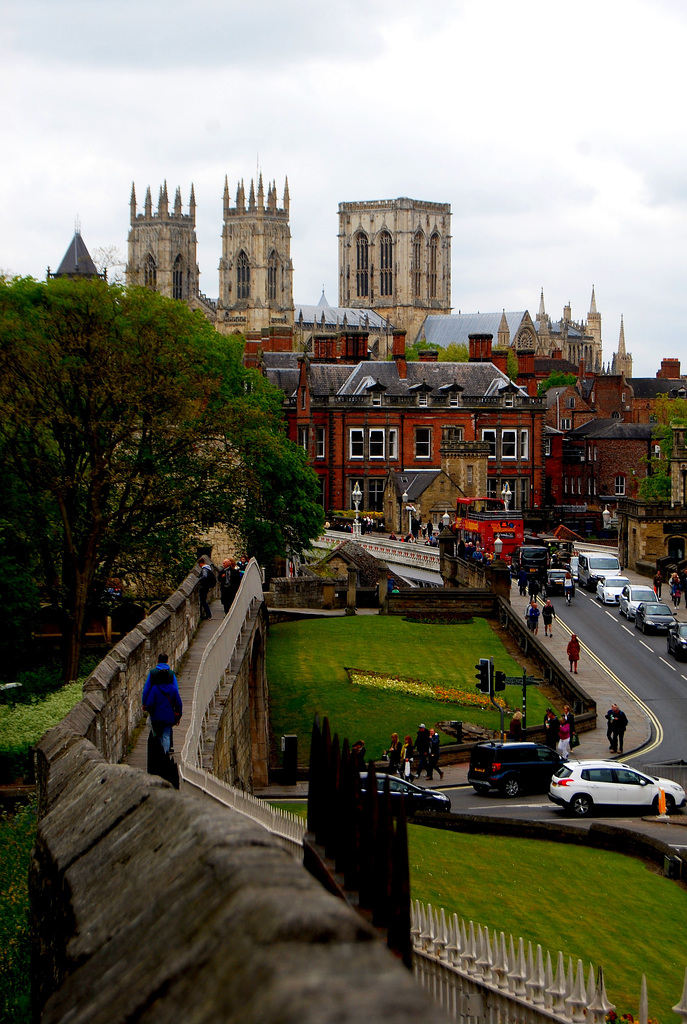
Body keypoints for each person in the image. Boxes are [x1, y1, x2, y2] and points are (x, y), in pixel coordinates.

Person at [142, 653, 182, 756]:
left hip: (156, 713)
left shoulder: (153, 676)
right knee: (166, 735)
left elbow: (146, 690)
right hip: (169, 712)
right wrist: (178, 713)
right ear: (167, 661)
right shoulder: (172, 675)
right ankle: (166, 752)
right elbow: (177, 695)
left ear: (158, 660)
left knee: (157, 734)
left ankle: (159, 753)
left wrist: (145, 705)